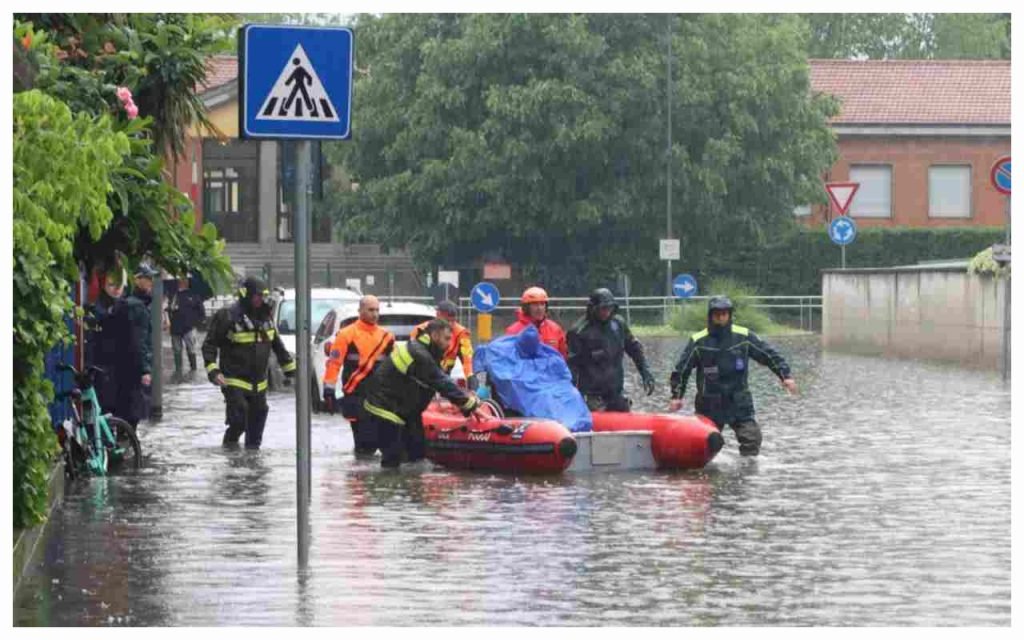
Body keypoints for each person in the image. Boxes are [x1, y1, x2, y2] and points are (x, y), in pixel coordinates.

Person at [668, 295, 798, 456]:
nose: (721, 317)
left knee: (752, 439)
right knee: (704, 444)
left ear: (729, 315)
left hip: (739, 401)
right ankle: (705, 474)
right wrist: (676, 396)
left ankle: (746, 474)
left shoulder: (743, 336)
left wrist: (785, 376)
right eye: (717, 314)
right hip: (709, 403)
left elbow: (768, 354)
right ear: (711, 316)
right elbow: (682, 369)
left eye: (724, 314)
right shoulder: (698, 341)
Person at [362, 318, 488, 468]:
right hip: (384, 409)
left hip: (402, 410)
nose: (449, 344)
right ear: (434, 335)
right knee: (392, 460)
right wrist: (470, 405)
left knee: (417, 453)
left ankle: (413, 487)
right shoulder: (419, 353)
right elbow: (441, 382)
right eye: (447, 338)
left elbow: (436, 382)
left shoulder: (427, 352)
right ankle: (390, 487)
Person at [202, 276, 296, 449]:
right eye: (257, 296)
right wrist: (213, 371)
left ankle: (252, 465)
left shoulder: (266, 317)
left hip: (259, 384)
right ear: (246, 295)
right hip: (233, 380)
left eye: (263, 296)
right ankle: (231, 453)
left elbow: (276, 344)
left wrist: (291, 369)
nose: (261, 300)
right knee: (239, 418)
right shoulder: (227, 316)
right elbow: (209, 345)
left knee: (258, 421)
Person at [322, 295, 395, 456]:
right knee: (364, 444)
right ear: (360, 310)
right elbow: (334, 364)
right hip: (356, 395)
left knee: (380, 442)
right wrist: (329, 390)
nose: (375, 314)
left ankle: (366, 475)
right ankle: (359, 476)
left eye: (377, 310)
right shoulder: (346, 335)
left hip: (379, 396)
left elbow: (395, 368)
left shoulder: (387, 337)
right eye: (370, 310)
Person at [567, 288, 656, 412]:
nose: (606, 312)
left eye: (609, 308)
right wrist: (571, 395)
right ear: (593, 308)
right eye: (603, 308)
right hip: (592, 395)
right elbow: (572, 366)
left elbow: (635, 350)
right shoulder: (579, 332)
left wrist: (646, 373)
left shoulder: (618, 325)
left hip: (615, 392)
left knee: (623, 408)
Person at [89, 267, 152, 429]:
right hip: (125, 371)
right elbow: (139, 341)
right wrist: (145, 369)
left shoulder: (113, 307)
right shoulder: (134, 307)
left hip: (110, 371)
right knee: (129, 415)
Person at [410, 300, 478, 390]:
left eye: (453, 321)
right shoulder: (420, 330)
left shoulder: (461, 333)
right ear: (437, 315)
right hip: (422, 380)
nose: (449, 325)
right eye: (446, 320)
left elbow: (467, 360)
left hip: (444, 378)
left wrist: (470, 377)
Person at [504, 286, 568, 358]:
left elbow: (563, 357)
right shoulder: (513, 331)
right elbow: (508, 358)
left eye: (542, 304)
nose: (539, 308)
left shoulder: (555, 329)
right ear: (526, 308)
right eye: (535, 304)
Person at [164, 275, 206, 383]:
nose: (183, 281)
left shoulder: (194, 295)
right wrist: (168, 316)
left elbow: (201, 312)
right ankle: (178, 370)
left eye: (185, 279)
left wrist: (194, 323)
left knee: (191, 349)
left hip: (189, 328)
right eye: (181, 279)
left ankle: (193, 369)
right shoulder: (174, 295)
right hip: (175, 328)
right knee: (177, 350)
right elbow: (168, 309)